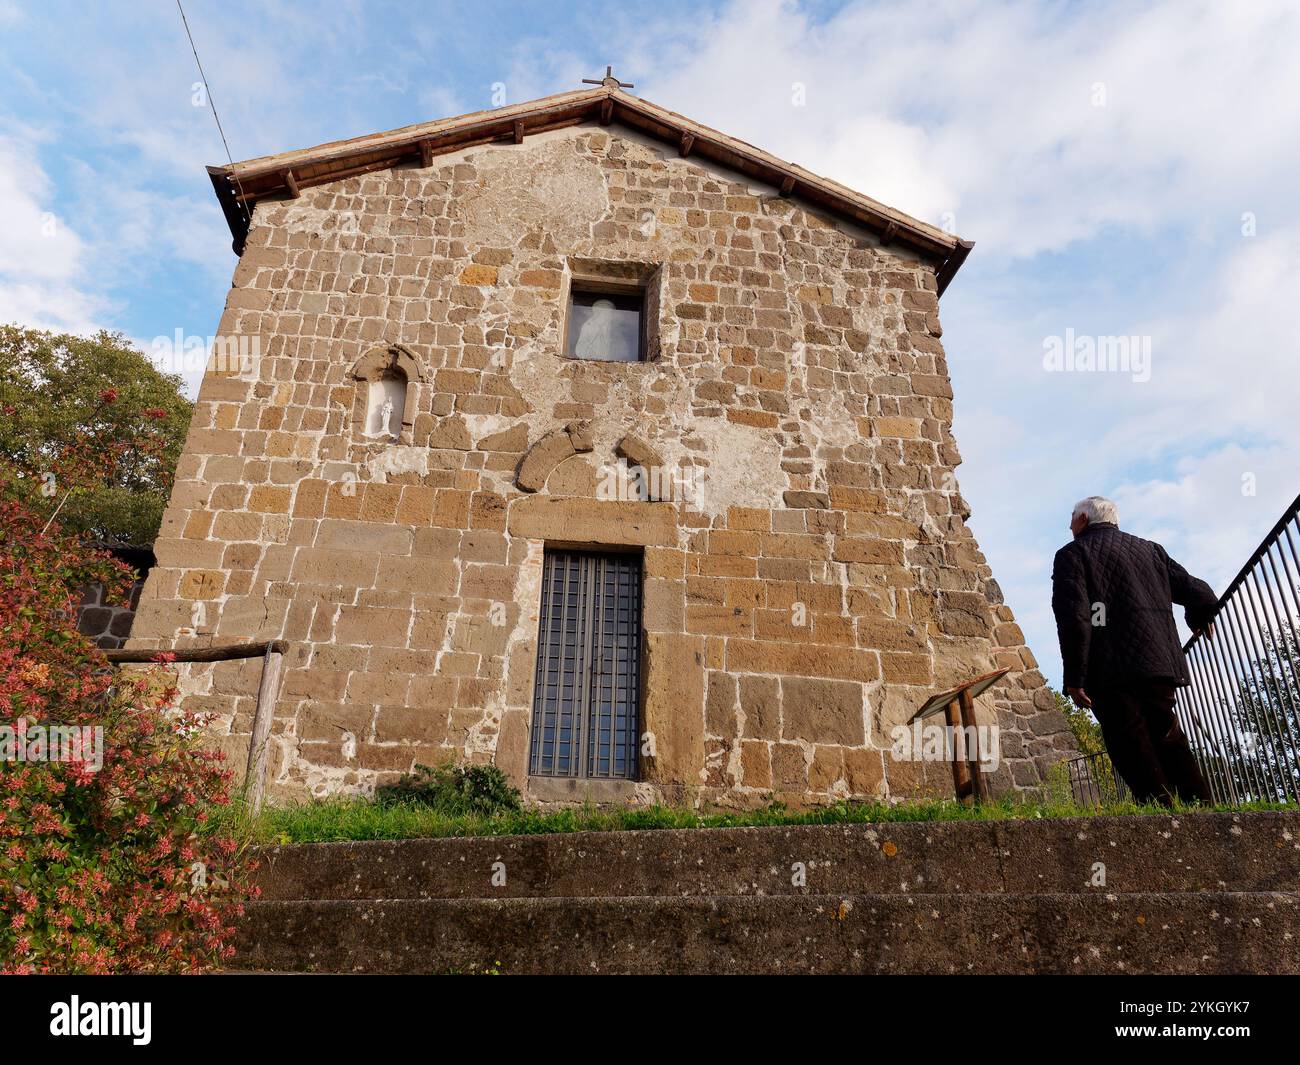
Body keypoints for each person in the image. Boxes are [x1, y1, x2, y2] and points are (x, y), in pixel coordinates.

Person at [1051, 496, 1218, 805]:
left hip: (1109, 670)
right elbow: (1201, 592)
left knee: (1129, 742)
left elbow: (1075, 618)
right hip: (1158, 664)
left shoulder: (1072, 555)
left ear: (1084, 520)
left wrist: (1075, 677)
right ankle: (1204, 809)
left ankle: (1161, 813)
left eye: (1072, 517)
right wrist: (1198, 617)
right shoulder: (1150, 550)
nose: (1069, 524)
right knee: (1168, 735)